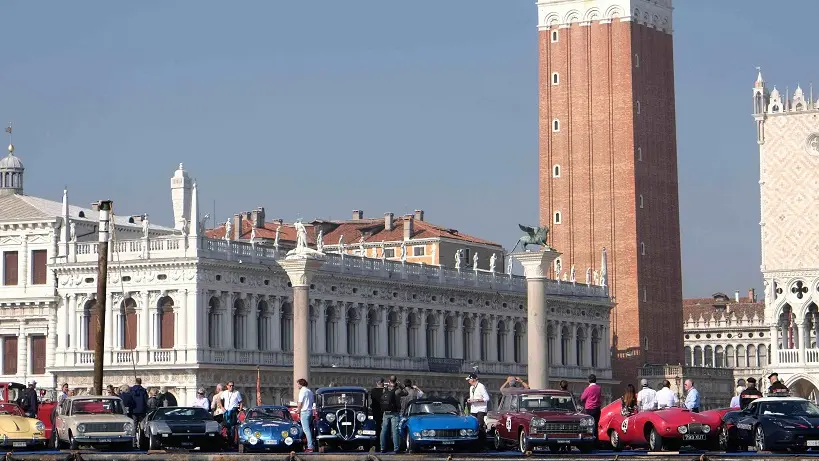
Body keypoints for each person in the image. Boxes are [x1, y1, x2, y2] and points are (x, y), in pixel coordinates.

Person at [379, 377, 408, 453]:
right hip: (394, 413)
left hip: (385, 412)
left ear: (389, 381)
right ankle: (396, 449)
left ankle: (382, 448)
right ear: (396, 381)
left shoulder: (385, 389)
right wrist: (401, 386)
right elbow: (406, 393)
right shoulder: (397, 391)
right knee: (395, 431)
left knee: (384, 430)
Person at [466, 373, 490, 441]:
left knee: (480, 425)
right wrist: (470, 400)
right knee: (473, 425)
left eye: (469, 379)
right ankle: (474, 441)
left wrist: (477, 400)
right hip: (473, 409)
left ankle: (482, 441)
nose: (469, 381)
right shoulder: (471, 388)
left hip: (481, 409)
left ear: (473, 379)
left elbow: (487, 398)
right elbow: (472, 397)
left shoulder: (481, 386)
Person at [296, 379, 315, 453]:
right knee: (307, 429)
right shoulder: (309, 391)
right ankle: (305, 443)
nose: (297, 385)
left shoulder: (302, 391)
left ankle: (310, 447)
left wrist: (298, 411)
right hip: (310, 411)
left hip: (304, 412)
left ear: (301, 384)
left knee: (306, 430)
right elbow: (312, 402)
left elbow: (300, 402)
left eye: (298, 384)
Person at [370, 378, 385, 451]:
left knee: (377, 429)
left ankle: (377, 446)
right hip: (384, 412)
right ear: (383, 383)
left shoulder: (373, 391)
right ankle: (384, 445)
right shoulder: (385, 391)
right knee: (385, 429)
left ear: (376, 383)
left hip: (375, 412)